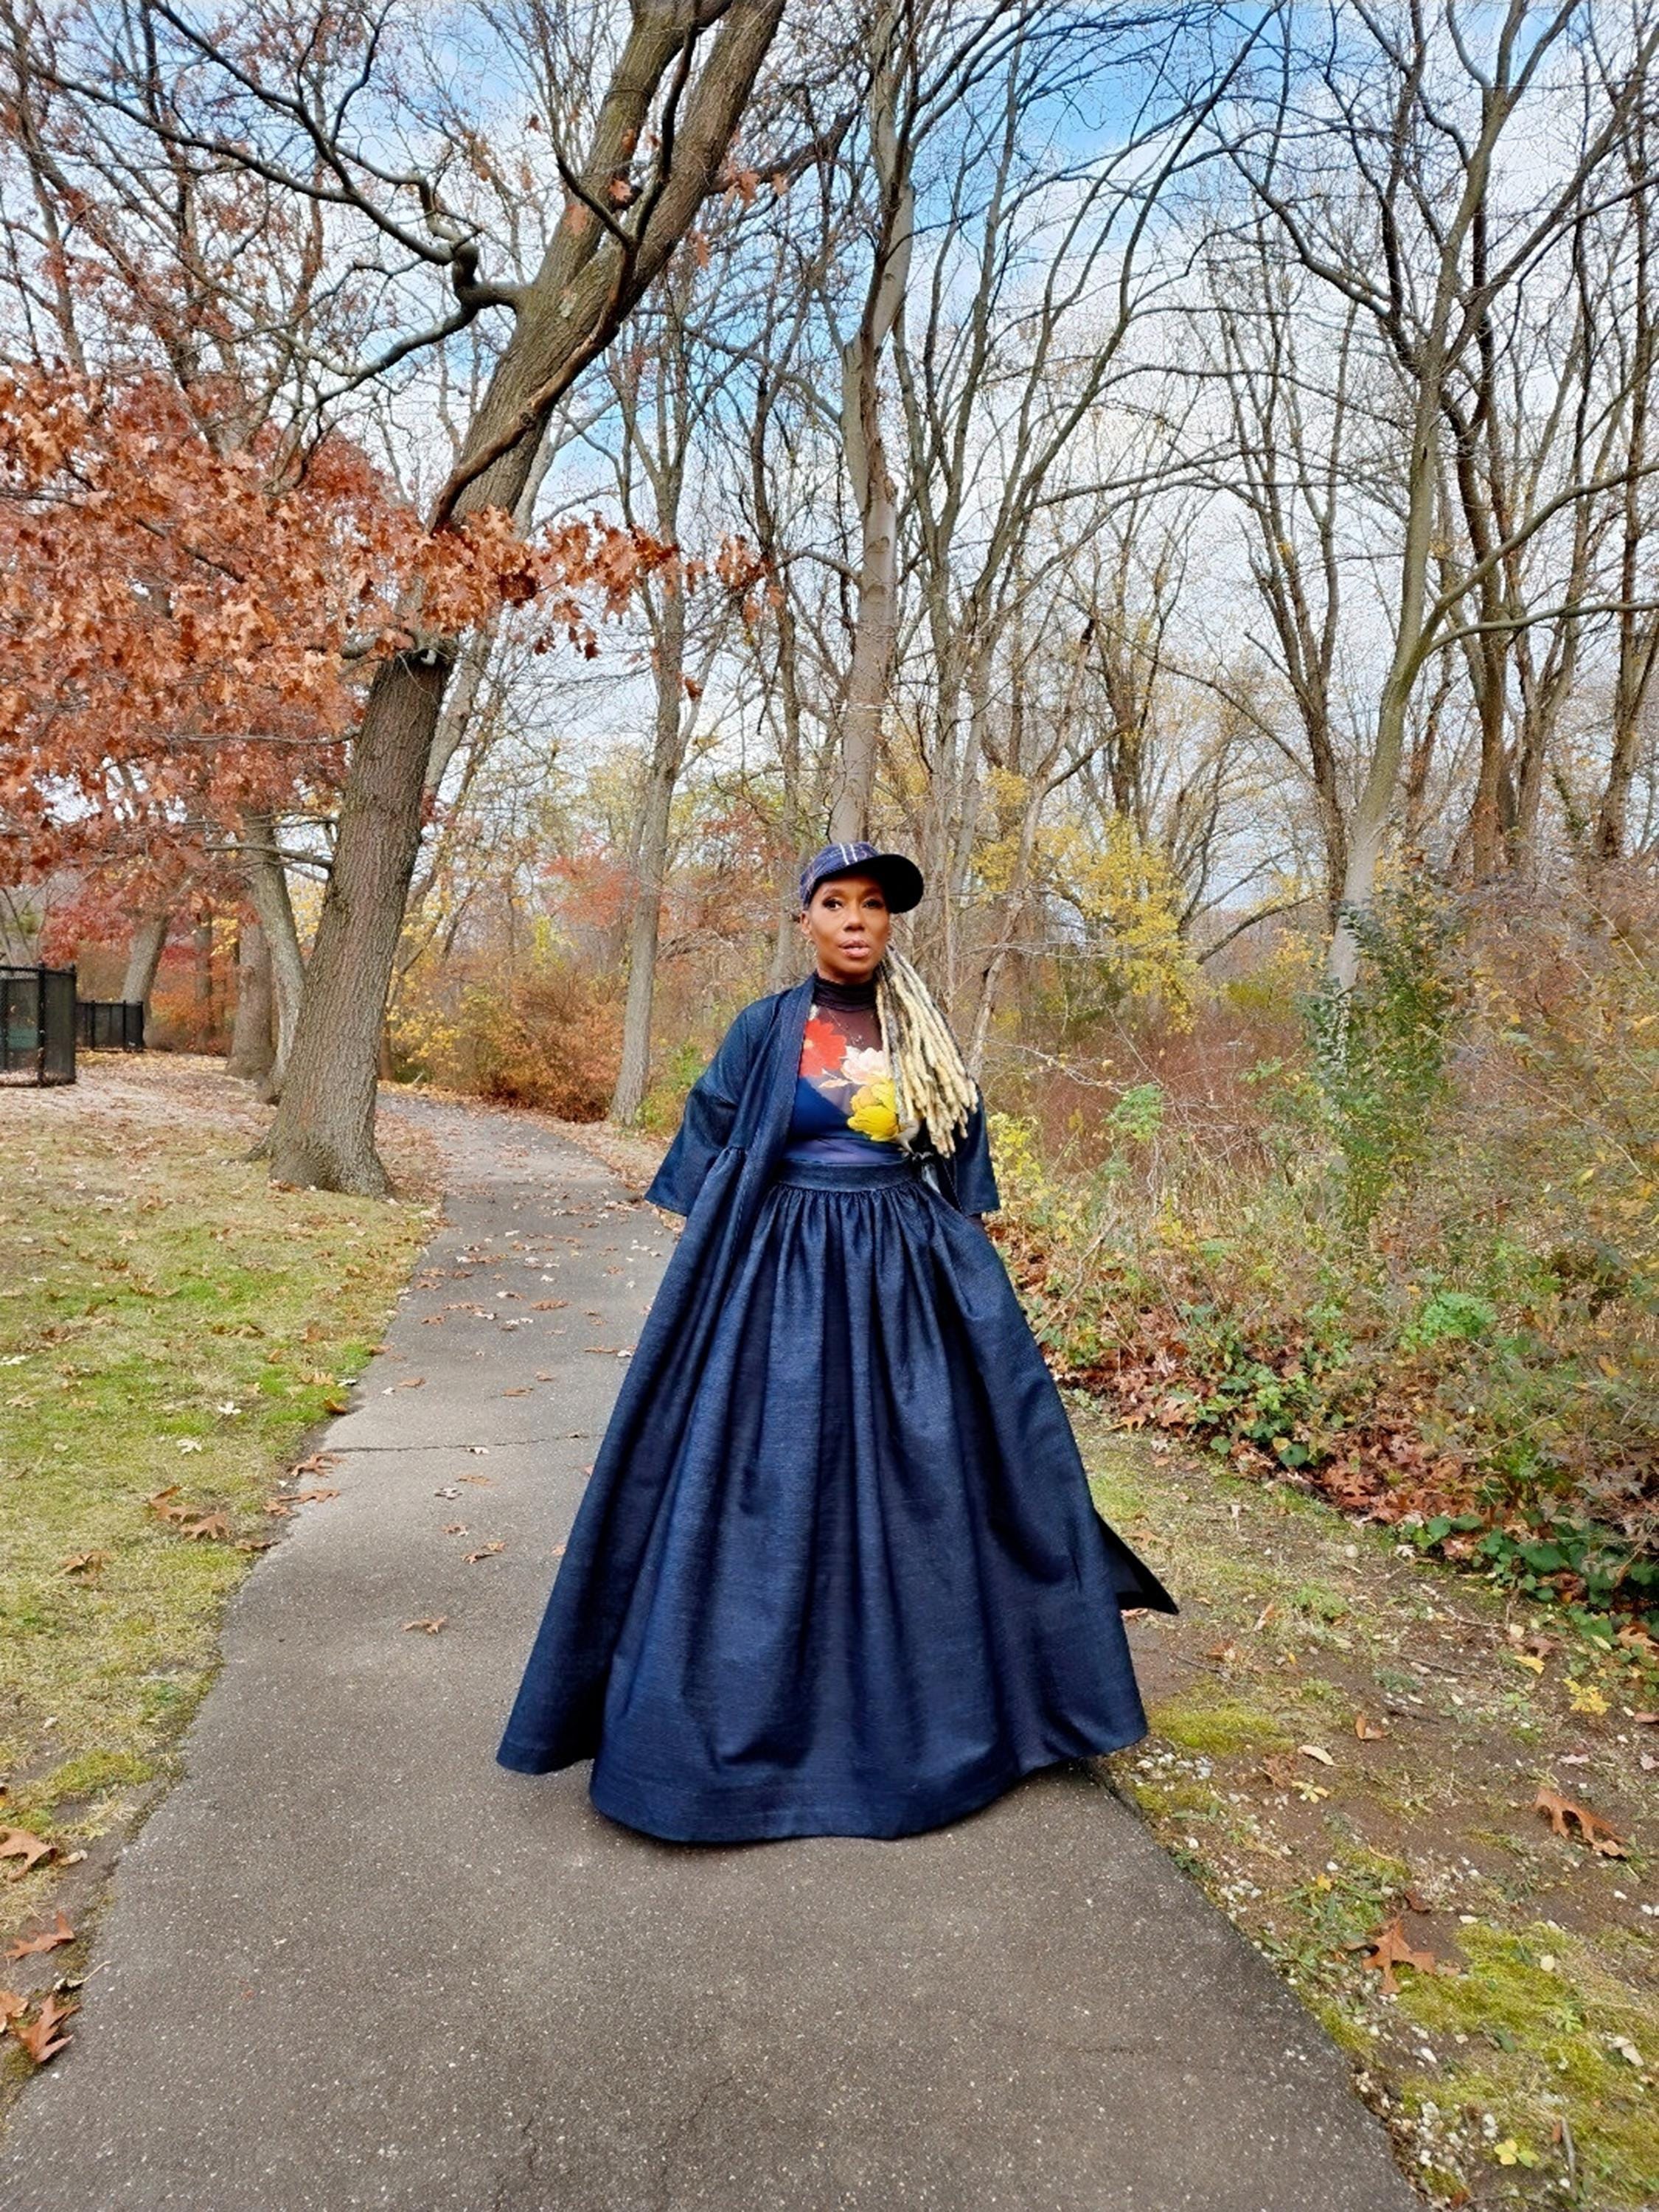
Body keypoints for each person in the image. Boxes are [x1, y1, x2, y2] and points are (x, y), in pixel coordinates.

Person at [495, 841, 1175, 1843]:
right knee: (766, 1478)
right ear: (803, 918)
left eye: (873, 906)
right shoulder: (766, 1028)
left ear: (890, 923)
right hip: (778, 1275)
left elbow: (959, 1158)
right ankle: (727, 1737)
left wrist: (963, 1278)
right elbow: (710, 1141)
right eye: (835, 903)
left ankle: (947, 1722)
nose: (856, 920)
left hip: (904, 1272)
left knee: (938, 1480)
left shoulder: (923, 1030)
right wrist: (724, 1278)